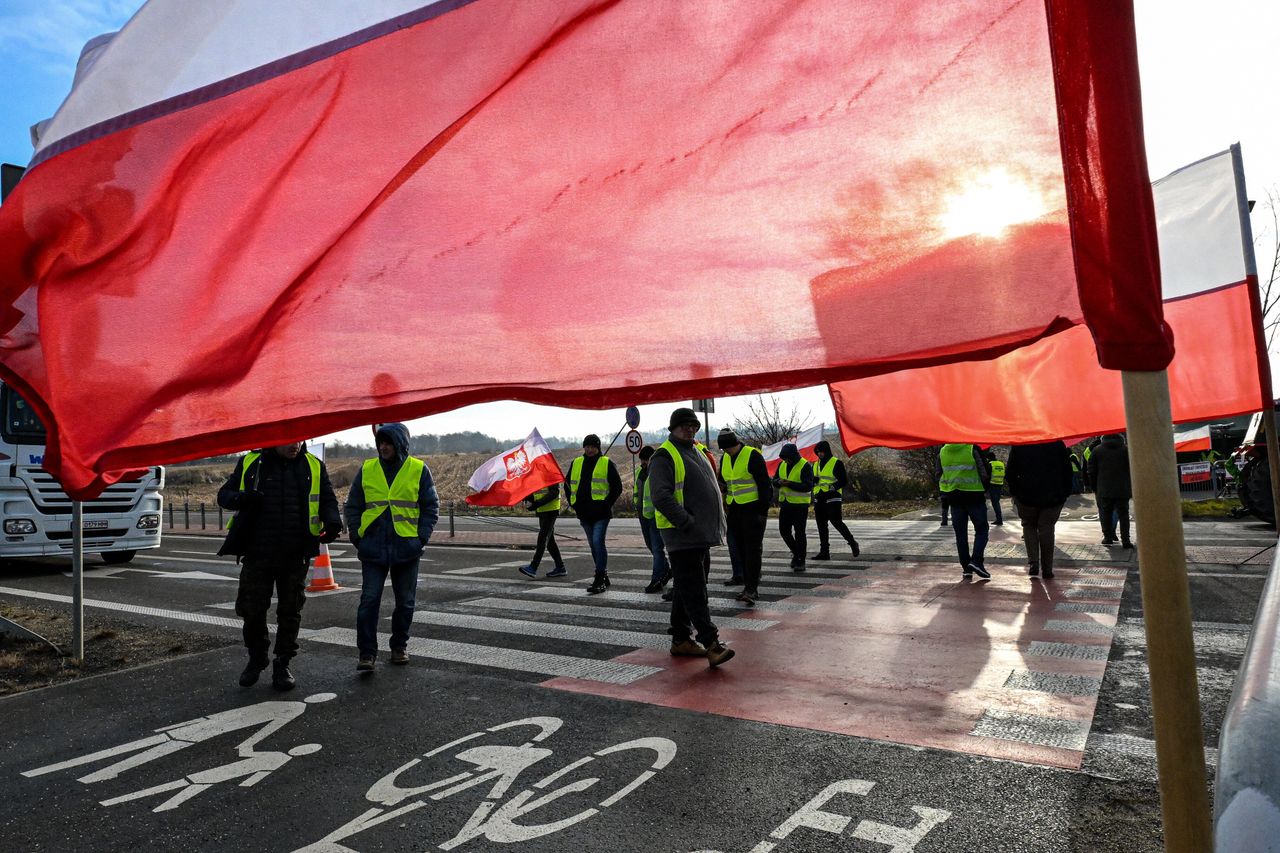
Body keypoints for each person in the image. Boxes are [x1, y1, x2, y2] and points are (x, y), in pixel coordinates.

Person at [217, 442, 342, 691]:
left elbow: (327, 498)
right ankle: (257, 657)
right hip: (257, 552)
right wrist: (241, 498)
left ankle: (282, 662)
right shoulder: (251, 463)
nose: (295, 445)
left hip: (295, 553)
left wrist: (333, 520)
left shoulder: (313, 465)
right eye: (289, 440)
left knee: (290, 611)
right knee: (251, 609)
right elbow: (224, 495)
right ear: (275, 439)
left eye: (299, 439)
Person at [345, 423, 440, 672]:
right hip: (373, 548)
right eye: (380, 443)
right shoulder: (367, 469)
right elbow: (353, 505)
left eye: (387, 443)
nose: (383, 447)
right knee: (369, 601)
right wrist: (357, 536)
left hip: (406, 547)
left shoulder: (419, 469)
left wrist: (421, 538)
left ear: (400, 443)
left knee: (406, 603)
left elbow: (431, 506)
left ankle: (399, 646)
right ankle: (367, 653)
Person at [648, 407, 734, 666]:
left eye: (693, 425)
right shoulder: (665, 455)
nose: (690, 428)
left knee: (688, 587)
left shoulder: (695, 450)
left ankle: (681, 639)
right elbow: (661, 496)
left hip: (698, 535)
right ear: (672, 428)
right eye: (684, 425)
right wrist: (686, 521)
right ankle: (712, 644)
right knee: (695, 591)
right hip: (682, 536)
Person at [717, 427, 771, 606]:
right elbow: (726, 481)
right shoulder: (725, 458)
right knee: (740, 550)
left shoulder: (752, 455)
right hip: (734, 510)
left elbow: (765, 486)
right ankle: (748, 585)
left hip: (752, 509)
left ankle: (752, 589)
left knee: (752, 550)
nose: (725, 452)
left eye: (726, 448)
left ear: (735, 444)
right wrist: (722, 488)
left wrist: (762, 513)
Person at [1005, 440, 1074, 579]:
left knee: (1028, 526)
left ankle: (1033, 563)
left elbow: (1010, 473)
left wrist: (1016, 493)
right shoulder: (1057, 443)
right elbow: (1067, 471)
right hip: (1053, 496)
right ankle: (1047, 568)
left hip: (1026, 496)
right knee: (1047, 529)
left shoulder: (1020, 444)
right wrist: (1064, 493)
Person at [566, 434, 622, 594]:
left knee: (598, 543)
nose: (589, 449)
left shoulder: (606, 463)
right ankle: (603, 573)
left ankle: (599, 579)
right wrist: (573, 503)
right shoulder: (576, 463)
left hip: (601, 514)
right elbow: (567, 485)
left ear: (598, 448)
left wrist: (606, 504)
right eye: (587, 446)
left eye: (593, 446)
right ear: (584, 447)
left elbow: (617, 487)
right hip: (584, 513)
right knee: (593, 545)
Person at [938, 442, 992, 579]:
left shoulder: (943, 450)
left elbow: (938, 474)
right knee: (981, 529)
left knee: (960, 534)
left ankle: (966, 567)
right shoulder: (972, 448)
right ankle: (976, 561)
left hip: (954, 497)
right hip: (974, 495)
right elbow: (984, 473)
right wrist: (984, 489)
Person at [810, 440, 860, 560]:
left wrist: (832, 487)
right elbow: (813, 480)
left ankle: (852, 543)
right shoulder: (815, 464)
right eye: (817, 452)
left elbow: (843, 481)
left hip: (833, 497)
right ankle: (824, 552)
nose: (819, 454)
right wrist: (814, 480)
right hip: (819, 497)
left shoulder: (836, 463)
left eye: (821, 451)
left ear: (826, 451)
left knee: (836, 522)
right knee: (821, 526)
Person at [635, 445, 671, 593]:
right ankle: (667, 569)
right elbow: (637, 492)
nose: (643, 462)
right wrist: (636, 505)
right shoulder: (640, 472)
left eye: (645, 460)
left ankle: (656, 579)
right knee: (651, 546)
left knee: (657, 548)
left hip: (656, 516)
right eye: (642, 460)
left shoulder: (657, 471)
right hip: (644, 516)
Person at [1089, 433, 1134, 548]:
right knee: (1123, 514)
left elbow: (1092, 471)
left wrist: (1094, 487)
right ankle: (1126, 540)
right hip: (1123, 488)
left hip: (1104, 488)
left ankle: (1107, 537)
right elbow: (1134, 469)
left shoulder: (1097, 450)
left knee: (1106, 513)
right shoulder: (1127, 450)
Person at [773, 443, 813, 572]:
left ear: (794, 456)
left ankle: (801, 559)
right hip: (785, 504)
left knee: (799, 533)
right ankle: (797, 553)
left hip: (800, 505)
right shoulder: (782, 464)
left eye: (788, 458)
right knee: (784, 531)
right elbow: (774, 480)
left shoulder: (805, 465)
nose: (786, 461)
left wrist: (790, 484)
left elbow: (808, 486)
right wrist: (778, 482)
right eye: (784, 458)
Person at [517, 482, 567, 579]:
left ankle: (533, 567)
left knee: (542, 538)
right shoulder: (539, 473)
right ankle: (560, 567)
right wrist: (528, 497)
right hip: (543, 510)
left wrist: (537, 504)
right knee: (550, 542)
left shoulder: (550, 471)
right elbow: (538, 491)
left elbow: (554, 492)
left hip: (551, 510)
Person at [985, 449, 1006, 526]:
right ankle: (999, 519)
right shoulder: (1001, 463)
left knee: (995, 503)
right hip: (1000, 484)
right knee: (996, 502)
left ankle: (999, 519)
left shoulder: (990, 464)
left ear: (988, 458)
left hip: (992, 484)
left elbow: (987, 475)